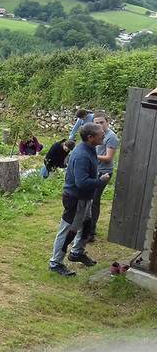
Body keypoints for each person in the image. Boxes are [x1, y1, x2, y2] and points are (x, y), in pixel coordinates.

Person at [49, 122, 110, 277]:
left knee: (87, 225)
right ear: (90, 138)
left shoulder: (90, 149)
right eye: (100, 133)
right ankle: (55, 263)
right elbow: (81, 182)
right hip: (75, 199)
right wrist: (100, 180)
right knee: (68, 231)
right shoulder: (82, 155)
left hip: (85, 198)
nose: (104, 134)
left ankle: (77, 252)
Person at [89, 112, 119, 241]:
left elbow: (108, 158)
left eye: (102, 122)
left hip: (104, 171)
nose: (99, 125)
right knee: (89, 199)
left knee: (94, 200)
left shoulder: (111, 137)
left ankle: (91, 231)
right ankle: (86, 227)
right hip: (94, 170)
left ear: (107, 121)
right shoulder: (95, 134)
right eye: (96, 123)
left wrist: (89, 155)